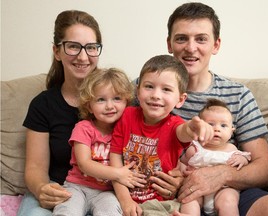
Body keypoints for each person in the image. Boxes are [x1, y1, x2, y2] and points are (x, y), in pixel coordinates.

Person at [165, 2, 268, 216]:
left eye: (201, 39)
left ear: (216, 44)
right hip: (174, 195)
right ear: (169, 44)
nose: (191, 48)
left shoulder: (238, 95)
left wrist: (220, 175)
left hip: (230, 192)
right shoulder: (150, 90)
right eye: (181, 38)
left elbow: (266, 169)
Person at [17, 10, 103, 216]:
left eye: (91, 48)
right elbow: (35, 167)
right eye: (73, 46)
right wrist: (41, 189)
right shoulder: (43, 104)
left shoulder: (115, 100)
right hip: (59, 188)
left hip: (102, 192)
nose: (83, 57)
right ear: (57, 51)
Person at [109, 54, 214, 216]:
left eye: (166, 89)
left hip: (161, 203)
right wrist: (125, 200)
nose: (156, 95)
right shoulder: (127, 116)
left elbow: (184, 132)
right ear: (138, 92)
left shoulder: (175, 126)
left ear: (180, 99)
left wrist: (193, 127)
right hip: (125, 198)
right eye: (149, 86)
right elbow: (114, 159)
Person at [52, 68, 146, 216]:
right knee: (67, 211)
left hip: (107, 192)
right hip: (78, 187)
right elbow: (84, 164)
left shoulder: (127, 131)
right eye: (101, 100)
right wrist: (118, 173)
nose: (109, 106)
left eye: (117, 98)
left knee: (110, 212)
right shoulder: (84, 128)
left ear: (127, 102)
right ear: (89, 106)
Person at [174, 98, 251, 216]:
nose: (217, 129)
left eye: (223, 125)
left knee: (228, 201)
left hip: (223, 189)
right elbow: (181, 161)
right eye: (210, 124)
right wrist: (182, 170)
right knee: (189, 200)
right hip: (196, 189)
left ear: (232, 131)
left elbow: (246, 158)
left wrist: (242, 160)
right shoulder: (194, 148)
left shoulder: (232, 149)